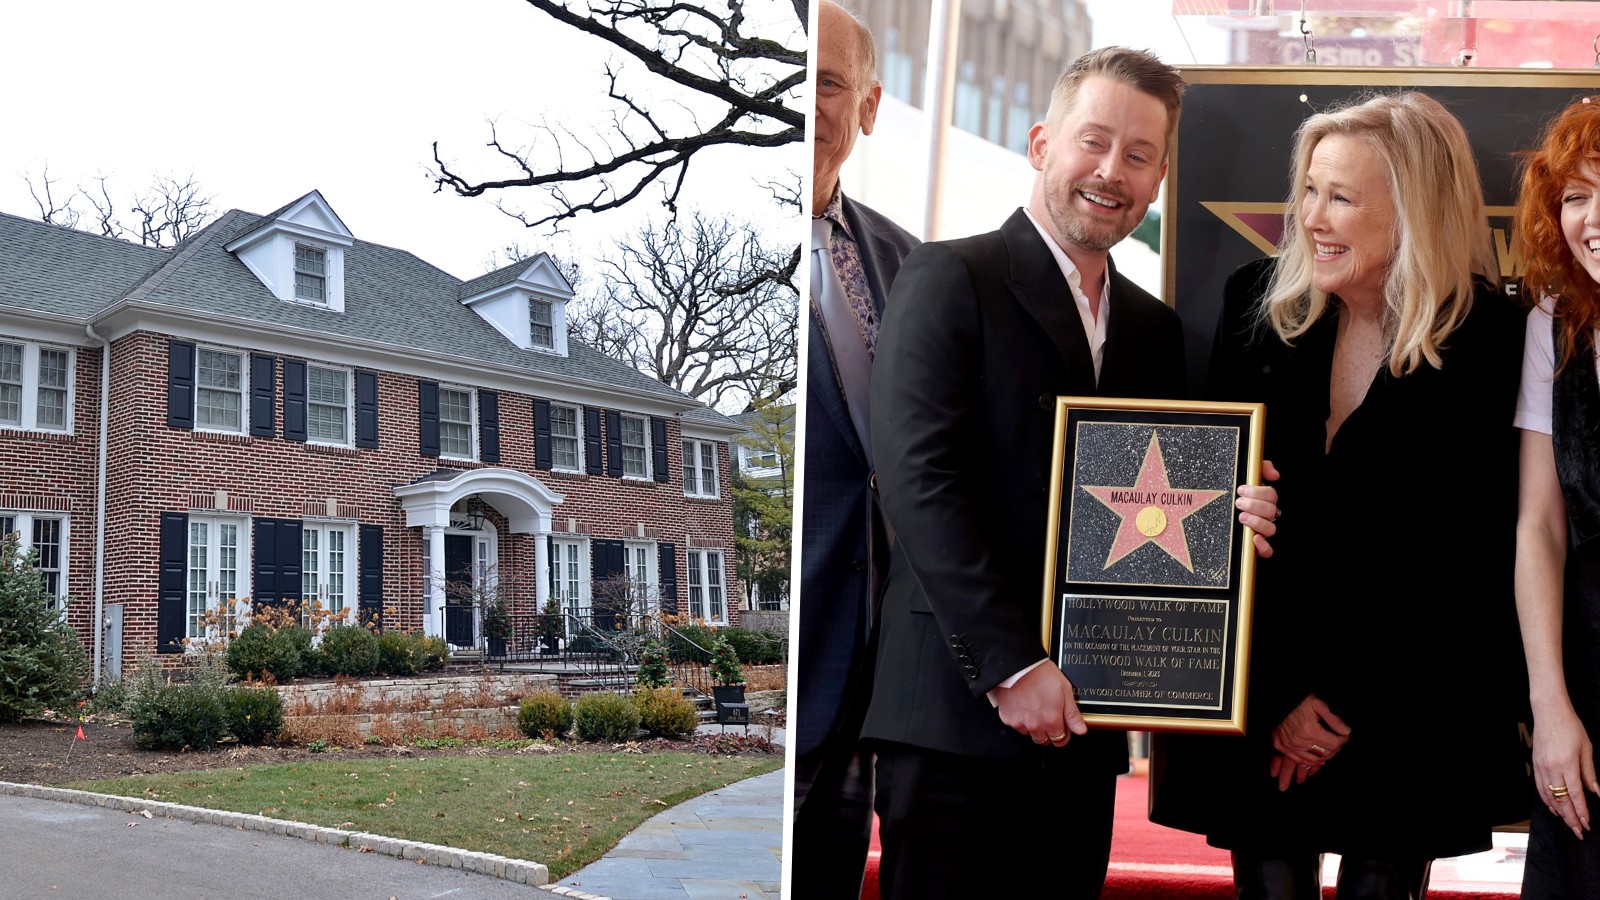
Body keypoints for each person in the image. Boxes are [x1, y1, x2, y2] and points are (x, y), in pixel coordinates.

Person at [862, 47, 1279, 899]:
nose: (1111, 172)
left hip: (1090, 721)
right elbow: (917, 480)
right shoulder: (951, 277)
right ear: (1042, 142)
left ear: (1161, 176)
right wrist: (1013, 666)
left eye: (1138, 155)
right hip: (955, 716)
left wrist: (1236, 506)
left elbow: (1162, 506)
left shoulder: (1157, 332)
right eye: (1094, 142)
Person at [1153, 92, 1525, 899]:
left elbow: (1471, 560)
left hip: (1410, 709)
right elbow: (1209, 515)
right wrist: (1284, 695)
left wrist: (1339, 704)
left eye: (1342, 197)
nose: (1311, 218)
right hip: (1263, 693)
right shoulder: (1256, 307)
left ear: (1415, 211)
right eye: (1309, 191)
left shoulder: (1494, 341)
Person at [791, 3, 918, 896]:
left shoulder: (910, 262)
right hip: (787, 652)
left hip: (876, 658)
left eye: (828, 82)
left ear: (868, 106)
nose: (807, 102)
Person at [1512, 96, 1600, 899]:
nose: (1592, 219)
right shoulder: (1556, 323)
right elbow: (1539, 527)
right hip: (1591, 688)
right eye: (1576, 196)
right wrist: (1552, 709)